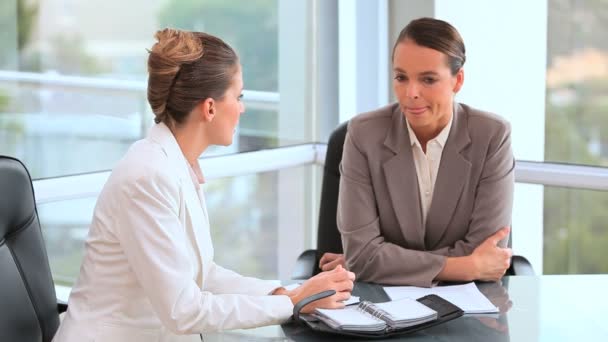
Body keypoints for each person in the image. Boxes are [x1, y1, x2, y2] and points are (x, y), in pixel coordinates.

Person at [53, 29, 354, 342]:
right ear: (210, 108)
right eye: (238, 97)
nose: (242, 108)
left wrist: (282, 292)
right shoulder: (147, 177)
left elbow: (203, 275)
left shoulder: (176, 164)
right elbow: (184, 309)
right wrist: (292, 303)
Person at [319, 17, 514, 287]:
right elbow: (363, 257)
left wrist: (381, 262)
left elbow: (487, 254)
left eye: (428, 79)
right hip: (383, 308)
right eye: (401, 77)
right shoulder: (364, 134)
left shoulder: (492, 136)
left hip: (472, 307)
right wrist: (464, 267)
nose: (411, 93)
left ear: (458, 80)